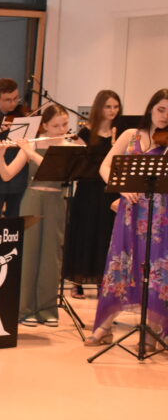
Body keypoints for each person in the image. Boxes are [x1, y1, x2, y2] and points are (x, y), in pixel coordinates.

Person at [85, 90, 168, 347]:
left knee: (156, 270)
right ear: (151, 108)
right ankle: (104, 327)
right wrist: (120, 187)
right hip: (130, 212)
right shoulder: (130, 135)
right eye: (161, 109)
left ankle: (154, 332)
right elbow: (105, 166)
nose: (165, 116)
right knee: (120, 264)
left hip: (160, 216)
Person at [0, 104, 78, 326]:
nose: (62, 129)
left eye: (65, 124)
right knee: (28, 254)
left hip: (57, 200)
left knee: (51, 255)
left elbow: (59, 171)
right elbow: (7, 175)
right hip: (32, 199)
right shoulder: (31, 144)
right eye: (56, 125)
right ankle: (24, 309)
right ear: (44, 126)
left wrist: (31, 153)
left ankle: (47, 309)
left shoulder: (70, 145)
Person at [63, 90, 122, 297]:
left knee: (105, 235)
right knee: (85, 233)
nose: (112, 111)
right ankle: (77, 281)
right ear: (99, 108)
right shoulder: (86, 133)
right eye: (108, 106)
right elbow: (77, 163)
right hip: (88, 190)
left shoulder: (120, 134)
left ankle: (100, 280)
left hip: (109, 190)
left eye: (116, 107)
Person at [0, 77, 29, 218]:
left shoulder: (24, 118)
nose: (13, 103)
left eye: (16, 98)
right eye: (8, 100)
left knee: (15, 227)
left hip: (19, 181)